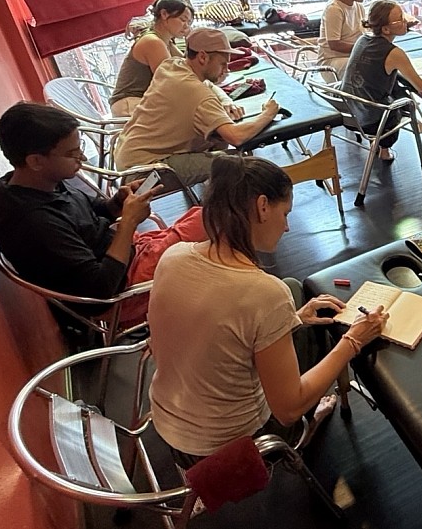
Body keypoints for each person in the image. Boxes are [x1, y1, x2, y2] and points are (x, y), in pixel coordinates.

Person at [147, 155, 387, 465]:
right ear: (262, 207)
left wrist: (293, 319)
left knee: (293, 290)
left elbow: (217, 330)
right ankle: (305, 431)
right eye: (285, 213)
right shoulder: (264, 293)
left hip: (167, 423)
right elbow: (287, 409)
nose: (287, 227)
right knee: (324, 334)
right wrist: (353, 340)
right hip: (233, 447)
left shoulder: (174, 256)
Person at [0, 103, 205, 313]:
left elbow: (94, 213)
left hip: (129, 252)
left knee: (205, 217)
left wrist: (118, 202)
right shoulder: (35, 222)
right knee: (215, 220)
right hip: (123, 290)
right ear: (36, 161)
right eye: (71, 153)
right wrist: (128, 223)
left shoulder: (38, 182)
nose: (81, 157)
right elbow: (100, 289)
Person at [113, 27, 280, 185]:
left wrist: (225, 101)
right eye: (222, 64)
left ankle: (213, 197)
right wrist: (268, 113)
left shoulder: (172, 66)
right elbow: (236, 136)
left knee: (216, 141)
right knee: (238, 164)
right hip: (145, 170)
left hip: (127, 155)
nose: (226, 70)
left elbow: (208, 86)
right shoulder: (196, 93)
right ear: (203, 57)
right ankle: (222, 204)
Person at [340, 0, 422, 162]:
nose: (405, 21)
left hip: (348, 113)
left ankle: (378, 142)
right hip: (373, 122)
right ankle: (384, 149)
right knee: (402, 100)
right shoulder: (394, 53)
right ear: (385, 29)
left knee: (395, 85)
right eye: (400, 19)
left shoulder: (362, 40)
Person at [109, 0, 194, 117]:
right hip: (130, 105)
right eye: (183, 19)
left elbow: (187, 67)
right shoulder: (152, 42)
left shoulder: (165, 41)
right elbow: (172, 81)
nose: (186, 26)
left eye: (189, 23)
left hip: (141, 102)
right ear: (164, 14)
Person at [316, 0, 369, 80]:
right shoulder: (334, 9)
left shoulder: (359, 7)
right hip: (332, 61)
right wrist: (363, 48)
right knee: (370, 66)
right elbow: (334, 44)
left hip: (352, 56)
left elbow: (364, 31)